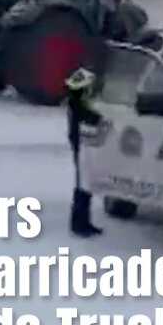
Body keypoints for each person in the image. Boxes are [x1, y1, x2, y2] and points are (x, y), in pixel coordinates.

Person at [66, 67, 103, 237]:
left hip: (85, 137)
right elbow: (74, 101)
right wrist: (93, 117)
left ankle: (82, 221)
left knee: (86, 180)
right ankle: (79, 222)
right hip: (81, 138)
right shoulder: (85, 73)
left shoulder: (90, 73)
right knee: (83, 181)